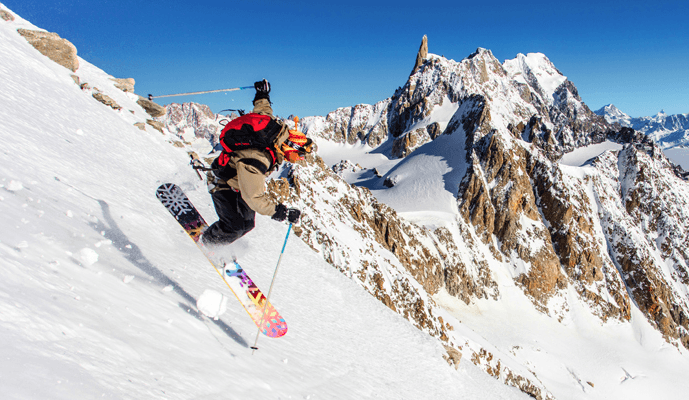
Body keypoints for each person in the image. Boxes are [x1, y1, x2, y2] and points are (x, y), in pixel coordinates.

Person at [201, 80, 311, 246]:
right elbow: (254, 198)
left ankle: (218, 243)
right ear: (291, 147)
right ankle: (206, 243)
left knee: (247, 224)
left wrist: (262, 94)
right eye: (299, 154)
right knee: (234, 226)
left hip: (237, 184)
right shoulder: (258, 158)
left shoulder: (273, 133)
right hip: (222, 182)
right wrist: (281, 212)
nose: (298, 159)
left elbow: (263, 111)